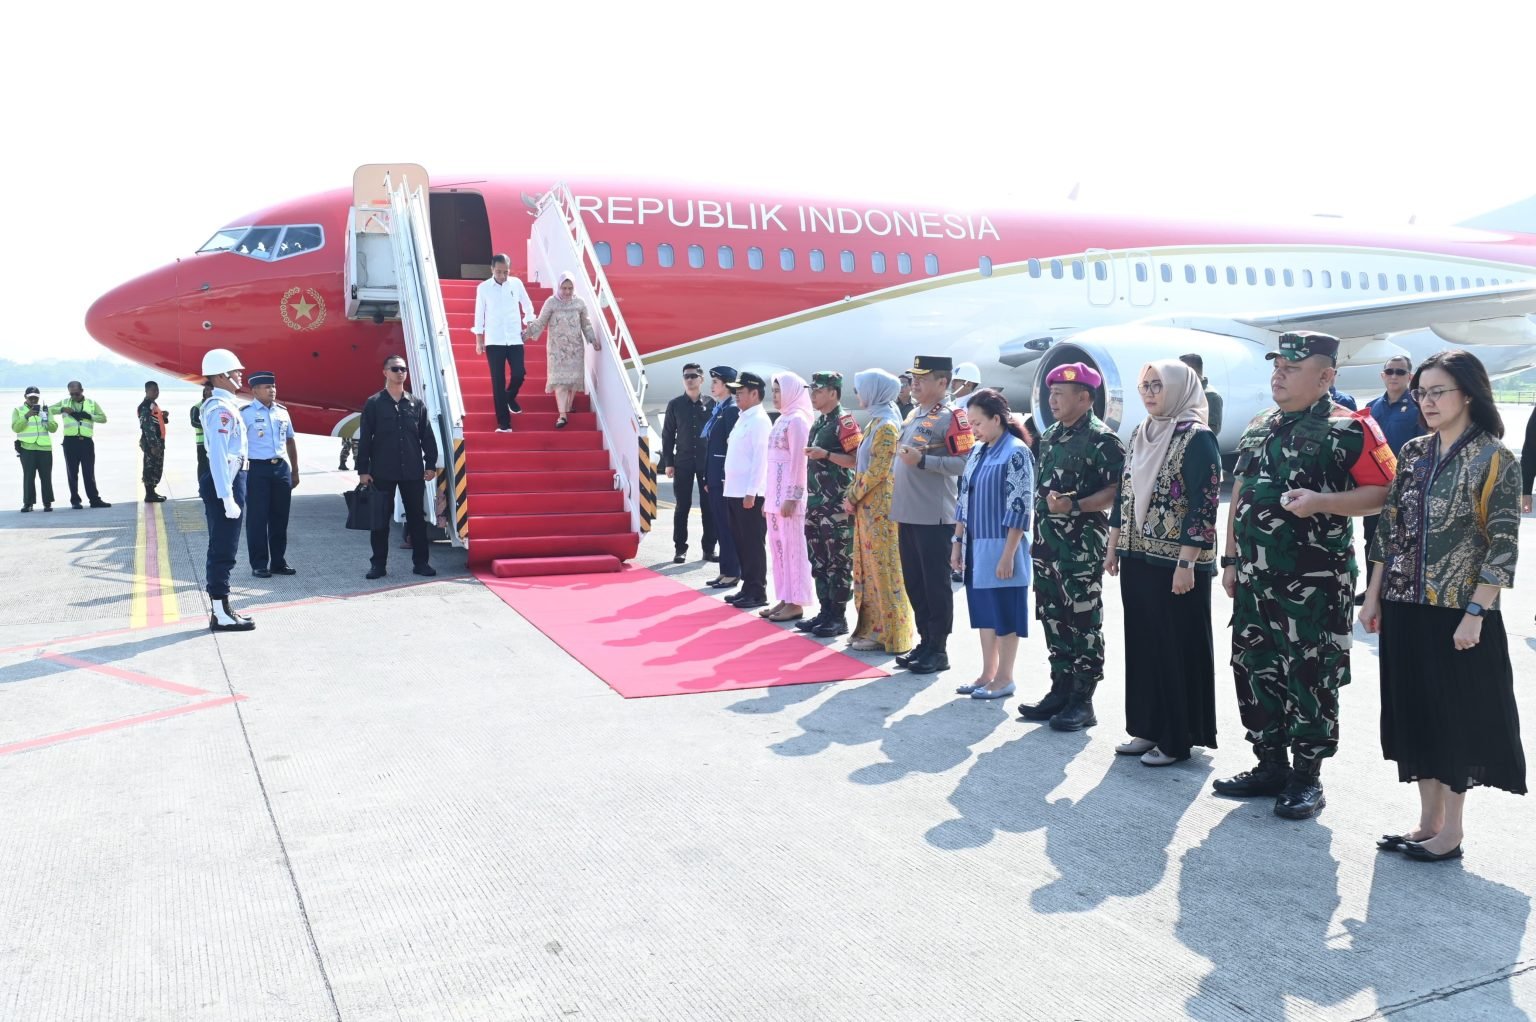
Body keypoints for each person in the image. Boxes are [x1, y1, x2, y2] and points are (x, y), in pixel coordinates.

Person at [1216, 331, 1396, 819]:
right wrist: (1231, 559)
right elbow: (1241, 491)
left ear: (1325, 377)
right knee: (1255, 669)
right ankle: (1269, 763)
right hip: (1254, 579)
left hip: (1313, 583)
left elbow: (1384, 492)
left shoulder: (1352, 428)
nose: (1279, 374)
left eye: (1292, 369)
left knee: (1310, 676)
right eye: (1277, 366)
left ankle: (1306, 777)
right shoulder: (1260, 425)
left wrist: (1322, 504)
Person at [1361, 349, 1525, 862]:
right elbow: (1389, 530)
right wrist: (1373, 594)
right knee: (1415, 713)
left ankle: (1451, 831)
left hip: (1458, 613)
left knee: (1455, 718)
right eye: (1421, 392)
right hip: (1404, 604)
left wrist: (1476, 613)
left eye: (1438, 392)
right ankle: (1427, 821)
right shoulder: (1412, 452)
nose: (1426, 402)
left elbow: (1503, 543)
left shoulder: (1495, 458)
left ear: (1468, 395)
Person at [1104, 361, 1222, 766]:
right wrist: (1114, 542)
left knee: (1174, 647)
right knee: (1142, 644)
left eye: (1158, 385)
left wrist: (1187, 562)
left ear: (1178, 388)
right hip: (1138, 557)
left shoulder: (1197, 438)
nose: (1151, 393)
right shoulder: (1141, 432)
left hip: (1177, 564)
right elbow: (1124, 491)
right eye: (1145, 386)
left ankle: (1176, 738)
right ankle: (1146, 727)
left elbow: (1204, 505)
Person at [1018, 363, 1126, 731]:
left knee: (1083, 620)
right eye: (1051, 393)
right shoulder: (1050, 434)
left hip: (1080, 549)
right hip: (1048, 546)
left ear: (1085, 397)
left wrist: (1076, 505)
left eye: (1061, 394)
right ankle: (1060, 689)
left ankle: (1083, 699)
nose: (1053, 399)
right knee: (1052, 616)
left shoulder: (1103, 440)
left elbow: (1116, 493)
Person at [890, 355, 974, 674]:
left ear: (943, 382)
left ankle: (938, 648)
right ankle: (924, 641)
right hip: (908, 512)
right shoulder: (914, 414)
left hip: (934, 516)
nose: (915, 382)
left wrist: (925, 462)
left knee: (935, 584)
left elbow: (965, 463)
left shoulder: (953, 417)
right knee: (915, 581)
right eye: (913, 377)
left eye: (922, 378)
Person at [952, 389, 1034, 700]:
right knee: (985, 614)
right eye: (970, 424)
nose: (973, 430)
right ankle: (987, 673)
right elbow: (964, 501)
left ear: (996, 419)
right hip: (976, 546)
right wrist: (957, 544)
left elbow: (1020, 506)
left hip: (1002, 545)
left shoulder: (1015, 452)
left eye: (977, 423)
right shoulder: (977, 451)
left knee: (1005, 614)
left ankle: (1005, 677)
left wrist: (1008, 555)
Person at [846, 370, 916, 654]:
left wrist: (852, 494)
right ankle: (875, 630)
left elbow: (878, 470)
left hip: (881, 509)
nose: (858, 395)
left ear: (875, 392)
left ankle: (894, 634)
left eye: (861, 389)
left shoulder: (887, 425)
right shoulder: (877, 420)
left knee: (885, 570)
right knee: (869, 571)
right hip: (868, 506)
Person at [357, 356, 441, 579]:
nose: (400, 372)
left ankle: (421, 563)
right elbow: (365, 437)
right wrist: (362, 470)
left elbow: (427, 436)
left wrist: (431, 463)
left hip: (412, 471)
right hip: (382, 472)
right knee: (380, 520)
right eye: (395, 369)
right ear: (385, 372)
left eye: (403, 369)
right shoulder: (374, 403)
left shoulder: (416, 403)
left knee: (417, 519)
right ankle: (378, 565)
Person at [799, 371, 861, 637]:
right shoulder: (820, 421)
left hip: (836, 504)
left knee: (838, 561)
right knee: (819, 560)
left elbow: (856, 459)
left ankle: (838, 616)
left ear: (833, 393)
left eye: (818, 390)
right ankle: (825, 611)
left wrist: (826, 454)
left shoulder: (844, 422)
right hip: (816, 503)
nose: (813, 395)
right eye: (811, 390)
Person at [198, 349, 255, 631]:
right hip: (226, 480)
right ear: (222, 376)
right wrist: (227, 496)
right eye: (235, 371)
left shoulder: (226, 405)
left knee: (226, 545)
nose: (240, 374)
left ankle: (223, 607)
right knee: (223, 547)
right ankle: (220, 612)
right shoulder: (220, 409)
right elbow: (218, 457)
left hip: (233, 478)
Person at [1360, 355, 1421, 601]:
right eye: (1390, 371)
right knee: (1372, 539)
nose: (1394, 376)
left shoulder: (1418, 408)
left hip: (1405, 488)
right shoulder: (1372, 407)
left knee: (1403, 542)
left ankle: (1396, 590)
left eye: (1400, 372)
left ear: (1410, 377)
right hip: (1374, 488)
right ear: (1382, 375)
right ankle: (1371, 591)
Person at [760, 372, 816, 623]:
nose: (775, 396)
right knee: (778, 548)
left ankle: (796, 602)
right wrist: (768, 498)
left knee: (793, 550)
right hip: (774, 498)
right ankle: (784, 597)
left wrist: (793, 497)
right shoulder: (782, 419)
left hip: (790, 500)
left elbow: (799, 463)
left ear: (792, 392)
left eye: (778, 391)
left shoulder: (798, 421)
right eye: (773, 391)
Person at [240, 372, 299, 578]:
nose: (272, 390)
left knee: (280, 518)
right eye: (266, 387)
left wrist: (295, 470)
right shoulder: (245, 414)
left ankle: (278, 562)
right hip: (257, 469)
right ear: (254, 391)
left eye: (273, 386)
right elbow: (239, 445)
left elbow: (290, 441)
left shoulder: (282, 412)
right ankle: (259, 564)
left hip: (280, 468)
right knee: (257, 518)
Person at [524, 271, 599, 429]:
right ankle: (562, 415)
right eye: (564, 288)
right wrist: (527, 334)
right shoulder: (551, 302)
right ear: (559, 286)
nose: (566, 292)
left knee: (572, 382)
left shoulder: (579, 303)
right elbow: (541, 321)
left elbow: (586, 323)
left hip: (575, 348)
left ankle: (569, 406)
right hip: (557, 350)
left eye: (570, 288)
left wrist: (592, 340)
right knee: (560, 382)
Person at [722, 371, 770, 610]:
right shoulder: (744, 417)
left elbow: (761, 460)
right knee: (740, 542)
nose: (736, 395)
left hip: (748, 494)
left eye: (740, 392)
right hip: (734, 490)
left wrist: (752, 492)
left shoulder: (759, 420)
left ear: (755, 393)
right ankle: (747, 586)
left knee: (752, 543)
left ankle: (757, 590)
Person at [659, 362, 716, 564]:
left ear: (701, 379)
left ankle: (709, 549)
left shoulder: (711, 404)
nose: (689, 379)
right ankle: (680, 549)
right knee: (682, 506)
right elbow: (667, 435)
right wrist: (668, 462)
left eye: (693, 376)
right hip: (682, 462)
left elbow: (717, 435)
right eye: (686, 376)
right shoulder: (675, 405)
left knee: (709, 507)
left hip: (706, 463)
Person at [472, 253, 536, 432]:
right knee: (497, 382)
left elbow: (527, 304)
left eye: (505, 272)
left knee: (519, 373)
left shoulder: (516, 284)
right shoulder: (483, 288)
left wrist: (529, 322)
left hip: (515, 338)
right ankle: (504, 424)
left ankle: (509, 397)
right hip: (494, 341)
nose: (502, 275)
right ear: (492, 269)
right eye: (499, 272)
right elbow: (479, 314)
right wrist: (479, 339)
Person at [701, 366, 742, 590]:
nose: (712, 385)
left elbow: (730, 447)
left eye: (715, 382)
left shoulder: (731, 410)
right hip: (715, 477)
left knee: (727, 526)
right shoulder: (718, 409)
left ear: (726, 385)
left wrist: (725, 476)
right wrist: (709, 476)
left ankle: (733, 572)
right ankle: (725, 570)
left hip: (725, 478)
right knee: (720, 525)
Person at [50, 381, 110, 509]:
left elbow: (103, 418)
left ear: (82, 390)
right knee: (72, 473)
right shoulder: (65, 402)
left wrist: (89, 416)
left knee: (89, 472)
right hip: (70, 442)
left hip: (86, 442)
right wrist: (61, 409)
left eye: (76, 393)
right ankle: (75, 501)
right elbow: (48, 410)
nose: (74, 396)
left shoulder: (91, 403)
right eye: (71, 394)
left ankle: (94, 500)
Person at [13, 386, 57, 512]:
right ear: (25, 397)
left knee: (46, 476)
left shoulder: (46, 410)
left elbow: (53, 429)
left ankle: (47, 502)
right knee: (28, 476)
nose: (33, 400)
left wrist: (46, 419)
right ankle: (28, 503)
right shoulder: (18, 410)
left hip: (44, 448)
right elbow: (16, 428)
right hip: (27, 448)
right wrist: (26, 416)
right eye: (31, 397)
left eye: (36, 398)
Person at [137, 381, 168, 502]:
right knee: (150, 467)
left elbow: (155, 421)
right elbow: (147, 426)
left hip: (158, 441)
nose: (156, 392)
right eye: (153, 390)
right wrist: (154, 445)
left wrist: (163, 416)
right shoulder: (145, 406)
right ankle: (149, 494)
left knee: (157, 467)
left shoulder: (153, 404)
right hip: (152, 442)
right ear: (146, 391)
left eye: (157, 390)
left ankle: (152, 492)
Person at [1180, 353, 1223, 437]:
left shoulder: (1211, 396)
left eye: (1180, 370)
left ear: (1191, 370)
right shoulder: (1186, 392)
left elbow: (1212, 430)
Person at [192, 383, 213, 479]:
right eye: (207, 390)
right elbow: (193, 422)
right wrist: (207, 426)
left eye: (211, 390)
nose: (209, 392)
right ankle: (201, 487)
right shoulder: (197, 407)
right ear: (204, 392)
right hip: (202, 442)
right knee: (203, 465)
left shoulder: (215, 405)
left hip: (213, 441)